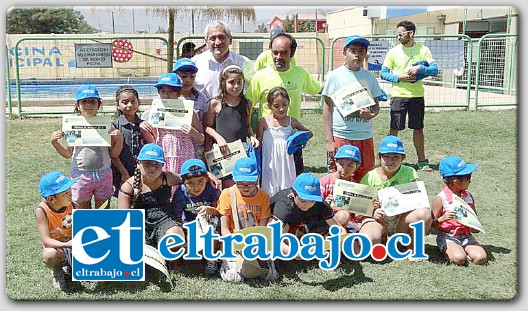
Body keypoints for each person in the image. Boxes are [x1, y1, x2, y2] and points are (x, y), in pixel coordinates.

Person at [246, 32, 322, 176]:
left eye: (283, 53)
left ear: (292, 53)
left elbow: (319, 89)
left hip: (292, 140)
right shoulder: (260, 77)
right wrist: (250, 132)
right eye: (275, 53)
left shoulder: (301, 74)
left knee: (294, 179)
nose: (278, 57)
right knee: (268, 181)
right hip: (268, 140)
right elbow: (247, 107)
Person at [50, 85, 123, 209]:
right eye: (84, 101)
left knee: (103, 210)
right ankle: (85, 228)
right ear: (78, 105)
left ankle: (102, 227)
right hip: (80, 174)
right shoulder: (73, 125)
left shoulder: (106, 125)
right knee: (82, 210)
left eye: (92, 101)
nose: (88, 105)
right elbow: (68, 153)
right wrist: (55, 142)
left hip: (103, 174)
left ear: (99, 105)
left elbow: (113, 154)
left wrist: (118, 138)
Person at [380, 20, 438, 172]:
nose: (398, 37)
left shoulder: (423, 50)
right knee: (394, 129)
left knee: (418, 129)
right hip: (398, 96)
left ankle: (422, 161)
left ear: (410, 33)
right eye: (397, 35)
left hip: (417, 96)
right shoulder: (393, 52)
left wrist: (420, 68)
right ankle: (389, 161)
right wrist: (400, 78)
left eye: (401, 34)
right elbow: (383, 73)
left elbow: (434, 69)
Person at [322, 35, 382, 182]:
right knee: (341, 176)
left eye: (361, 51)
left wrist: (370, 115)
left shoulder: (369, 77)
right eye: (353, 51)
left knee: (365, 176)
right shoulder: (334, 76)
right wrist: (329, 140)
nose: (357, 54)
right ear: (344, 53)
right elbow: (327, 109)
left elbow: (376, 106)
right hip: (342, 135)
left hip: (364, 136)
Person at [360, 135, 432, 257]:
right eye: (386, 156)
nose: (390, 161)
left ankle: (412, 246)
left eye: (396, 157)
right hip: (379, 219)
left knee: (424, 213)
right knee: (368, 243)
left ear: (402, 158)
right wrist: (372, 211)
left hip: (402, 219)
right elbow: (360, 205)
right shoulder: (370, 177)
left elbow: (419, 199)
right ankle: (381, 238)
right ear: (379, 157)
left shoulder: (409, 172)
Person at [117, 143, 184, 271]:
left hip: (165, 221)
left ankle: (170, 257)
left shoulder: (167, 178)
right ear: (138, 163)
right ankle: (150, 253)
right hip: (140, 224)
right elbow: (123, 218)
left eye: (156, 165)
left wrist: (206, 175)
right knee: (133, 247)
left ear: (162, 166)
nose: (152, 168)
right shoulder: (129, 186)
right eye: (147, 164)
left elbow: (188, 178)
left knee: (176, 236)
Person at [141, 73, 205, 197]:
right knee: (163, 183)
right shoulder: (155, 110)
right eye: (162, 91)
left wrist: (193, 132)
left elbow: (201, 138)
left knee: (184, 184)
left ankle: (182, 211)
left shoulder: (189, 111)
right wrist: (144, 126)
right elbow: (152, 138)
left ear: (178, 93)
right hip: (163, 152)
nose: (166, 95)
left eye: (170, 92)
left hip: (184, 153)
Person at [216, 157, 277, 283]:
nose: (245, 187)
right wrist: (236, 245)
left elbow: (262, 228)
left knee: (271, 277)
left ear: (257, 180)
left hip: (255, 242)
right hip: (234, 242)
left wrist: (255, 245)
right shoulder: (227, 194)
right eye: (240, 183)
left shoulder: (263, 196)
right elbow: (225, 229)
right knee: (234, 278)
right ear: (234, 180)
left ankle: (263, 264)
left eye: (250, 183)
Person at [203, 65, 259, 189]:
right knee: (222, 187)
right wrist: (218, 138)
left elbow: (247, 126)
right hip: (222, 152)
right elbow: (207, 127)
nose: (236, 86)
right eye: (232, 82)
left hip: (240, 152)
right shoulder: (215, 103)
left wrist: (252, 137)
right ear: (224, 83)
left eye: (239, 82)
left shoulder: (247, 103)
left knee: (238, 186)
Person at [271, 173, 347, 255]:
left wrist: (339, 242)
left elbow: (339, 229)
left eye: (312, 201)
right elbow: (273, 237)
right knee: (284, 229)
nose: (307, 205)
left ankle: (312, 242)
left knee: (343, 216)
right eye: (303, 201)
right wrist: (297, 252)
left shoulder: (320, 203)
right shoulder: (284, 205)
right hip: (287, 228)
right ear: (293, 193)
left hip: (307, 226)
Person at [257, 86, 312, 197]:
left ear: (288, 103)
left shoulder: (291, 121)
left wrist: (297, 141)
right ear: (269, 106)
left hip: (287, 161)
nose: (281, 109)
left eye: (284, 105)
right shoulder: (264, 122)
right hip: (270, 161)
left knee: (286, 187)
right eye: (276, 106)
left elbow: (309, 133)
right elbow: (258, 143)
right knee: (269, 188)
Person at [432, 156, 487, 265]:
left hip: (466, 236)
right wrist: (442, 219)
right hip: (448, 236)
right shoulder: (440, 199)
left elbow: (474, 218)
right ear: (456, 182)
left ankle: (463, 250)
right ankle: (450, 250)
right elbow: (430, 224)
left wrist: (475, 226)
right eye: (468, 177)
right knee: (459, 259)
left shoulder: (468, 196)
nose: (470, 181)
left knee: (480, 258)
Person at [171, 158, 221, 276]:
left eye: (200, 181)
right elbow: (177, 216)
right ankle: (177, 260)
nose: (196, 187)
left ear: (207, 179)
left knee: (214, 225)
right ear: (183, 182)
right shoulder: (180, 194)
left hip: (207, 223)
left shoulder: (211, 191)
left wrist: (212, 210)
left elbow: (221, 211)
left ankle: (211, 259)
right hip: (189, 224)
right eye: (190, 183)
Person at [35, 171, 77, 291]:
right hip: (56, 247)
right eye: (65, 193)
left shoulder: (73, 205)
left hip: (72, 245)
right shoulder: (41, 211)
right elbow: (46, 240)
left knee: (101, 280)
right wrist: (66, 244)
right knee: (49, 255)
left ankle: (70, 267)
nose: (70, 195)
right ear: (51, 199)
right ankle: (58, 271)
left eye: (70, 191)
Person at [191, 20, 254, 99]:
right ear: (206, 42)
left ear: (230, 40)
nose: (217, 42)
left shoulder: (244, 62)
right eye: (212, 38)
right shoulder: (195, 63)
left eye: (222, 37)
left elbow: (252, 91)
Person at [111, 85, 155, 197]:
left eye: (133, 101)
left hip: (142, 171)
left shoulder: (144, 124)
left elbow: (153, 145)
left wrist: (147, 129)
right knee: (125, 198)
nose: (129, 105)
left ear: (138, 103)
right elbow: (112, 155)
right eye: (125, 102)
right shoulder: (114, 126)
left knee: (142, 199)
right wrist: (123, 172)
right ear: (118, 105)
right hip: (122, 171)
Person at [172, 58, 210, 160]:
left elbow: (207, 124)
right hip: (175, 148)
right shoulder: (168, 98)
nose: (188, 80)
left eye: (192, 77)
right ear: (175, 76)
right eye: (183, 76)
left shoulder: (201, 97)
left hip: (196, 148)